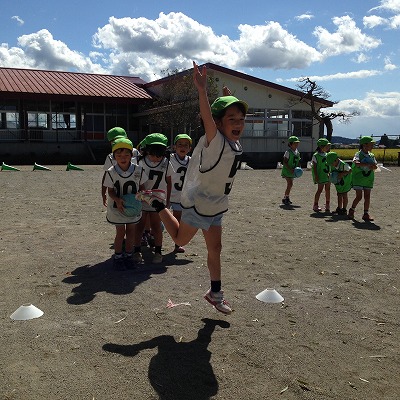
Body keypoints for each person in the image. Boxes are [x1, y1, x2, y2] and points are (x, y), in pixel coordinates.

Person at [136, 61, 248, 315]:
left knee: (215, 249)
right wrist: (202, 90)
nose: (238, 123)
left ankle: (215, 293)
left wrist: (228, 99)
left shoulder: (233, 142)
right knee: (179, 239)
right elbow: (208, 118)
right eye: (231, 119)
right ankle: (157, 203)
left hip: (216, 204)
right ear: (218, 123)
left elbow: (224, 119)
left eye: (241, 119)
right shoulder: (215, 140)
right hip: (200, 203)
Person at [103, 137, 148, 270]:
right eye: (119, 155)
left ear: (131, 155)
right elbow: (110, 191)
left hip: (133, 207)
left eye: (126, 155)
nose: (123, 158)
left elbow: (142, 187)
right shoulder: (111, 172)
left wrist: (141, 195)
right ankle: (118, 257)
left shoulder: (138, 170)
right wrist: (117, 200)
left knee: (131, 233)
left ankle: (129, 255)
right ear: (114, 156)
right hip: (118, 207)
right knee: (120, 233)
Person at [133, 133, 173, 264]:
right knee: (139, 226)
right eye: (153, 155)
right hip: (143, 199)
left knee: (156, 226)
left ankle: (158, 251)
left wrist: (168, 200)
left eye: (159, 156)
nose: (156, 159)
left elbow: (169, 181)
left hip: (158, 200)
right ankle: (137, 250)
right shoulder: (139, 162)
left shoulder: (166, 163)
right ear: (147, 151)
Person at [101, 127, 139, 207]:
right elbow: (106, 175)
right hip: (116, 194)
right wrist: (103, 192)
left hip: (134, 193)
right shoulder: (111, 156)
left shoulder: (136, 153)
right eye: (115, 140)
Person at [169, 133, 192, 253]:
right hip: (167, 194)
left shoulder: (191, 161)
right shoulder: (169, 158)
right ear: (174, 147)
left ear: (190, 148)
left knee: (178, 219)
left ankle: (177, 243)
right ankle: (151, 237)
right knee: (159, 218)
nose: (182, 147)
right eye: (180, 144)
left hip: (181, 196)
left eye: (186, 145)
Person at [348, 136, 378, 221]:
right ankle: (352, 210)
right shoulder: (358, 154)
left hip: (368, 179)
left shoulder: (372, 155)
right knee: (359, 196)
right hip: (359, 178)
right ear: (364, 145)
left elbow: (375, 166)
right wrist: (368, 164)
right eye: (371, 144)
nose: (372, 146)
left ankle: (366, 213)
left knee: (367, 196)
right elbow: (356, 163)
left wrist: (373, 166)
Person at [326, 151, 352, 216]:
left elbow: (350, 170)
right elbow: (331, 171)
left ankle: (344, 209)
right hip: (338, 183)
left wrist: (342, 173)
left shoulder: (343, 164)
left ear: (336, 160)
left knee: (344, 195)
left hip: (345, 182)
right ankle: (339, 208)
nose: (331, 165)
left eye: (332, 163)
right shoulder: (332, 165)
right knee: (339, 194)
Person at [311, 138, 331, 212]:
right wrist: (316, 176)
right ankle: (315, 205)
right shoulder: (316, 155)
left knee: (328, 189)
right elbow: (314, 167)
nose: (328, 147)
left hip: (327, 175)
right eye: (326, 146)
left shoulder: (327, 155)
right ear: (321, 146)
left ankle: (327, 204)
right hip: (320, 175)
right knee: (319, 190)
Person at [281, 136, 301, 205]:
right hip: (287, 171)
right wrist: (289, 169)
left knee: (290, 184)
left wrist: (299, 168)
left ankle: (286, 197)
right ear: (290, 144)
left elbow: (298, 161)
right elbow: (285, 162)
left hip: (293, 171)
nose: (297, 144)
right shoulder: (288, 152)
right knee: (290, 184)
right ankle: (286, 198)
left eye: (297, 143)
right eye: (295, 143)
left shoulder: (297, 152)